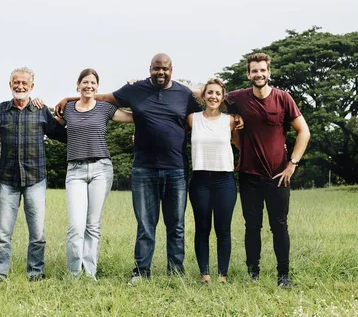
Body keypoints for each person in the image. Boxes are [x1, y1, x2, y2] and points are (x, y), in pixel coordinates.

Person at [56, 54, 201, 283]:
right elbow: (101, 97)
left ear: (171, 69)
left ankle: (176, 272)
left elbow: (205, 110)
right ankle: (141, 272)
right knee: (145, 224)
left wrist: (235, 119)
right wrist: (69, 98)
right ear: (150, 69)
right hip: (144, 168)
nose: (160, 72)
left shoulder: (184, 94)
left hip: (176, 168)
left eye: (165, 69)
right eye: (156, 69)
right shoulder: (135, 89)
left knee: (176, 224)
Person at [227, 52, 310, 289]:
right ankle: (253, 274)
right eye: (254, 71)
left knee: (279, 225)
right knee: (252, 226)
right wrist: (236, 128)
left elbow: (304, 131)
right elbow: (207, 96)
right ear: (248, 74)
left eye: (262, 70)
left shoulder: (284, 98)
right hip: (248, 175)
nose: (259, 74)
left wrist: (292, 163)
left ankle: (283, 276)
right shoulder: (238, 98)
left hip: (278, 175)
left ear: (269, 72)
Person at [56, 68, 133, 279]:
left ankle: (90, 273)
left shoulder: (105, 108)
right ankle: (74, 273)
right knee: (76, 225)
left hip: (101, 169)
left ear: (97, 87)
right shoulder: (68, 108)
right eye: (85, 82)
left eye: (93, 83)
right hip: (75, 171)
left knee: (92, 225)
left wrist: (136, 91)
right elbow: (50, 125)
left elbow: (133, 117)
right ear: (78, 84)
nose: (89, 85)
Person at [0, 67, 66, 281]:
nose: (20, 86)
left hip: (35, 179)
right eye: (16, 82)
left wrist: (73, 113)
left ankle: (36, 272)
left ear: (32, 86)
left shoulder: (41, 110)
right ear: (10, 84)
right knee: (3, 232)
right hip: (7, 179)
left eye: (24, 83)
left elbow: (60, 133)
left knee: (37, 233)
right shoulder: (1, 109)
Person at [186, 78, 239, 284]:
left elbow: (243, 146)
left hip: (224, 179)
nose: (213, 97)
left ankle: (222, 275)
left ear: (223, 97)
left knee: (223, 229)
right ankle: (205, 274)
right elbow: (171, 134)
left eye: (218, 93)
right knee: (202, 227)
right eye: (209, 93)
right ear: (203, 95)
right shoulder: (192, 119)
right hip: (200, 180)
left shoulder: (231, 120)